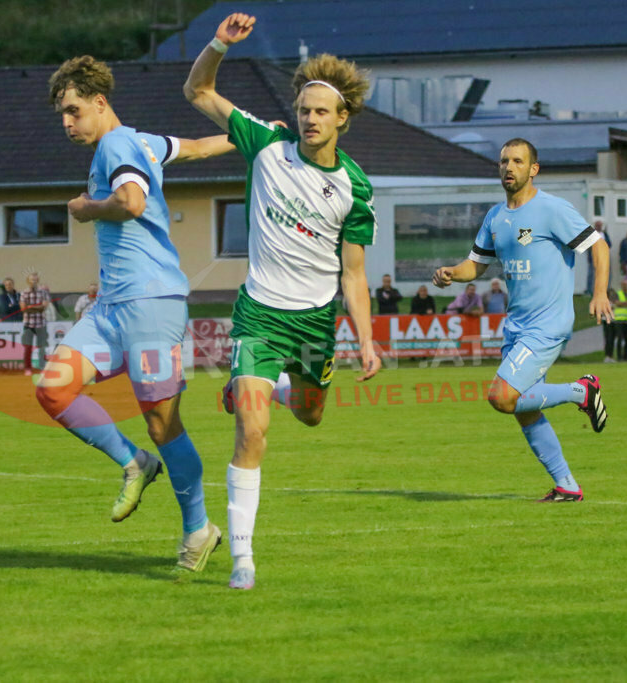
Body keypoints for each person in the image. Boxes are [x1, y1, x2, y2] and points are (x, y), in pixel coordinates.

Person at [185, 12, 381, 589]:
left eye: (322, 111)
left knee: (312, 415)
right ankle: (242, 559)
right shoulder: (266, 144)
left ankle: (280, 385)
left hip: (316, 323)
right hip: (259, 314)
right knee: (252, 430)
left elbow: (355, 275)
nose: (310, 118)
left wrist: (367, 341)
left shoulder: (356, 187)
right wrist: (220, 43)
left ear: (343, 119)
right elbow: (198, 90)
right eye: (304, 109)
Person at [35, 55, 237, 573]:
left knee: (162, 423)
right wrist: (251, 137)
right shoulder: (142, 142)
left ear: (99, 103)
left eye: (73, 111)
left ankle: (198, 531)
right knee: (54, 388)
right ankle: (134, 464)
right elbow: (192, 148)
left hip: (149, 303)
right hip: (111, 307)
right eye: (62, 114)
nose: (66, 123)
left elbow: (128, 202)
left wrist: (85, 208)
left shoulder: (117, 145)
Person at [432, 137, 612, 502]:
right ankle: (567, 486)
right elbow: (476, 265)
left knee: (501, 396)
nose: (508, 168)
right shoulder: (496, 217)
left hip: (548, 324)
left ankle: (582, 391)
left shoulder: (551, 210)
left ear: (534, 169)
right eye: (503, 161)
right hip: (517, 326)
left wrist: (600, 292)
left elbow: (598, 244)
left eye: (517, 161)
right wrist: (453, 271)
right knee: (521, 408)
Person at [19, 272, 50, 375]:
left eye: (35, 280)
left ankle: (42, 367)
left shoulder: (43, 293)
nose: (34, 281)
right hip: (28, 324)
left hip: (41, 323)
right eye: (32, 280)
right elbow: (23, 309)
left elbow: (44, 307)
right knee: (28, 347)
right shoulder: (24, 293)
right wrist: (38, 307)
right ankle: (27, 368)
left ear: (38, 280)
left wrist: (30, 307)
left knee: (42, 347)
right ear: (28, 281)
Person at [612, 279, 627, 362]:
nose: (625, 286)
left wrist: (623, 304)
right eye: (624, 285)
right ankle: (619, 357)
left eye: (626, 285)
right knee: (619, 339)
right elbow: (617, 303)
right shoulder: (617, 294)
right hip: (619, 320)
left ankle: (626, 356)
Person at [585, 220, 611, 295]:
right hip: (594, 256)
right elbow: (587, 245)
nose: (599, 227)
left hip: (603, 256)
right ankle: (589, 290)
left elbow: (609, 244)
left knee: (604, 273)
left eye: (600, 225)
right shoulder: (591, 234)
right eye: (597, 225)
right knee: (591, 274)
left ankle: (603, 290)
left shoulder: (604, 234)